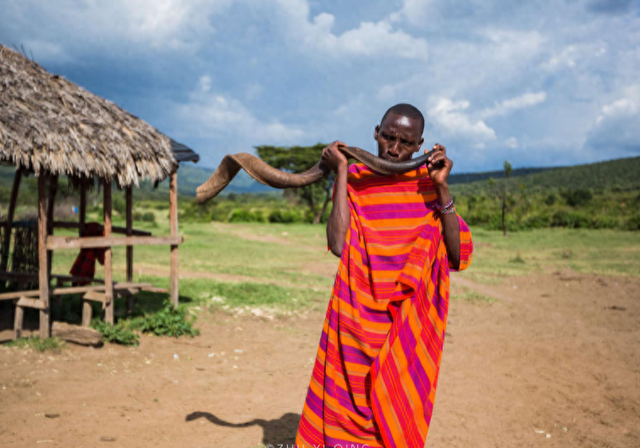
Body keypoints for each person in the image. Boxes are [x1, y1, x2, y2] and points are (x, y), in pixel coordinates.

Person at [295, 104, 473, 448]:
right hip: (354, 321)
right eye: (388, 138)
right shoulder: (357, 180)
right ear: (375, 132)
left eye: (405, 143)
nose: (393, 149)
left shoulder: (428, 185)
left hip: (405, 327)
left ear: (420, 145)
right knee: (342, 410)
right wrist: (342, 171)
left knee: (394, 409)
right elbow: (336, 243)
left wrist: (442, 188)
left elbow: (459, 255)